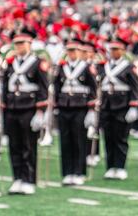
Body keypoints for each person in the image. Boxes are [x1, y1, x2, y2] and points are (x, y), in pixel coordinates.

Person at [1, 29, 49, 195]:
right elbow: (4, 86)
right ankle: (17, 178)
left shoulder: (38, 63)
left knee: (28, 145)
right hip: (12, 108)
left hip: (29, 108)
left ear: (30, 44)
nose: (19, 46)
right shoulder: (10, 63)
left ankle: (28, 179)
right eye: (16, 44)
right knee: (14, 145)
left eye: (22, 43)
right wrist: (3, 105)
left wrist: (41, 112)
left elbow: (43, 88)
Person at [54, 38, 97, 186]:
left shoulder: (86, 67)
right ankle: (67, 172)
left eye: (74, 50)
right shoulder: (61, 68)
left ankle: (79, 172)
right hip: (64, 106)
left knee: (79, 140)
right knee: (65, 141)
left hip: (80, 107)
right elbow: (57, 88)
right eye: (69, 51)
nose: (72, 53)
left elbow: (93, 88)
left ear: (80, 52)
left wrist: (91, 109)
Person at [97, 37, 138, 180]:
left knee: (120, 137)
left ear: (123, 51)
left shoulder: (128, 67)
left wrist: (133, 106)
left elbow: (134, 87)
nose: (114, 52)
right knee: (108, 137)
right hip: (106, 105)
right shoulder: (104, 66)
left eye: (117, 49)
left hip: (122, 106)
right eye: (112, 49)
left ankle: (120, 167)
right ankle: (110, 167)